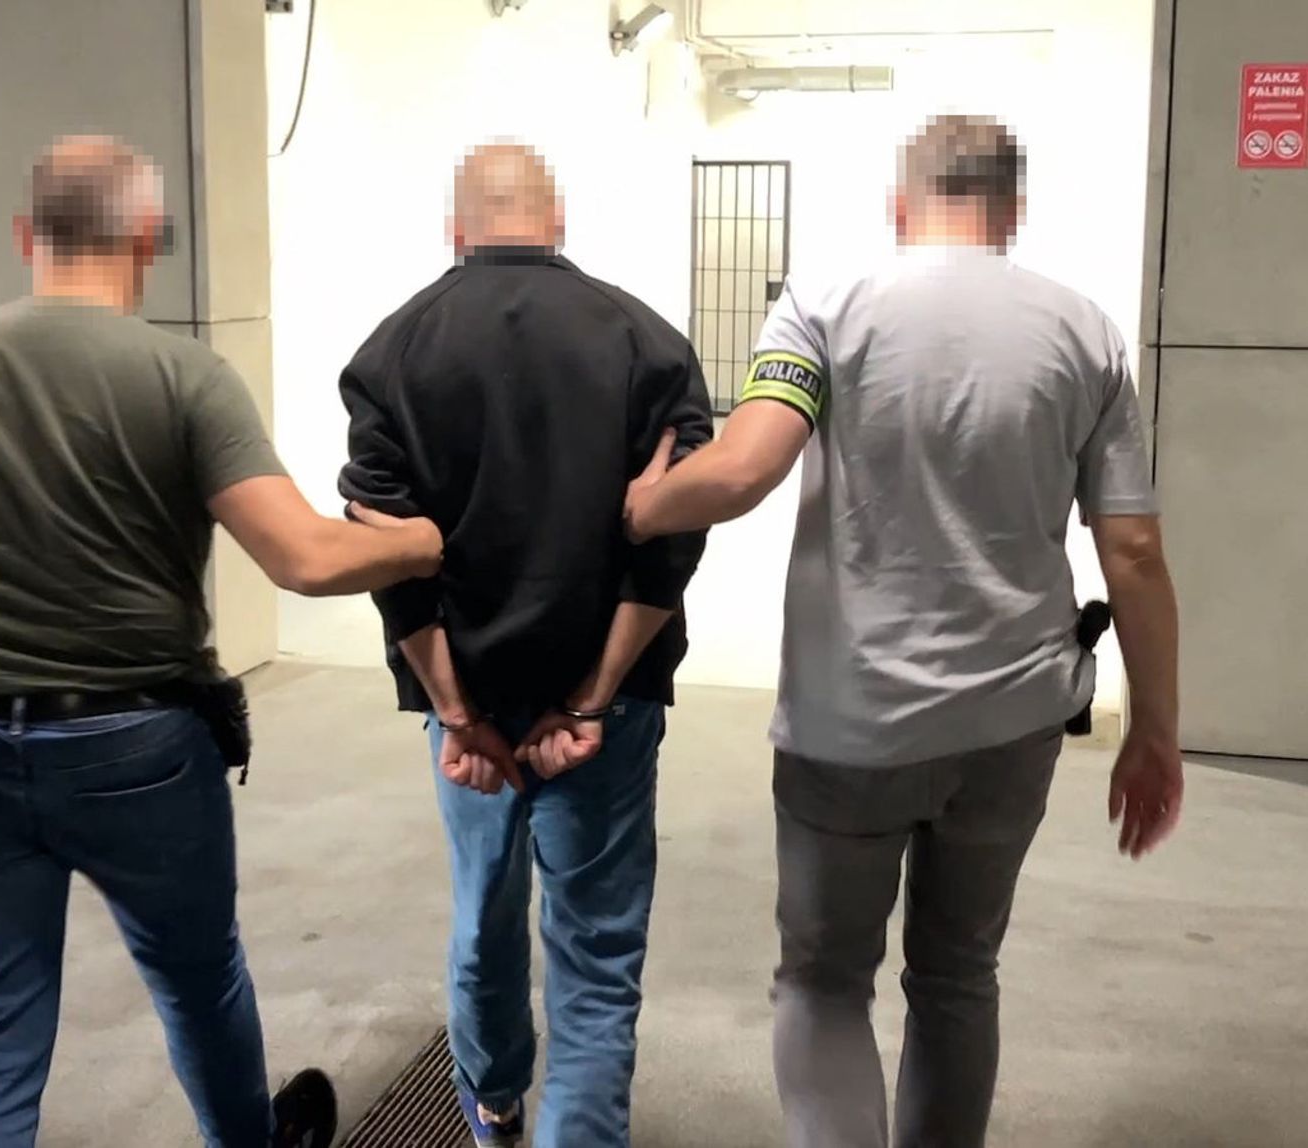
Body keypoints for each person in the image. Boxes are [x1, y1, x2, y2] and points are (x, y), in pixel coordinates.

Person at [623, 115, 1186, 1148]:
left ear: (900, 201)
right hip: (1013, 721)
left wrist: (642, 506)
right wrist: (1155, 729)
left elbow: (744, 469)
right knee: (960, 972)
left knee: (824, 981)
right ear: (1013, 209)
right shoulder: (1089, 333)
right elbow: (1136, 550)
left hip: (851, 722)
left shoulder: (825, 305)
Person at [0, 135, 441, 1148]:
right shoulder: (184, 376)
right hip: (133, 746)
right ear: (148, 237)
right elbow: (303, 557)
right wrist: (422, 540)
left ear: (26, 236)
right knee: (195, 977)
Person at [336, 142, 712, 1148]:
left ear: (455, 230)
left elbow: (385, 554)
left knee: (484, 914)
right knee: (595, 954)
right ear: (560, 224)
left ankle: (494, 1100)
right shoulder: (648, 341)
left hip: (468, 705)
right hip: (608, 707)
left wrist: (456, 711)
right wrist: (590, 695)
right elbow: (674, 541)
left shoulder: (392, 351)